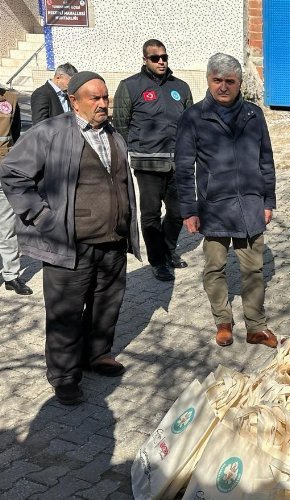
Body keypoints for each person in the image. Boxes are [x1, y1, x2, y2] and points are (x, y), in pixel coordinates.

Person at [0, 72, 141, 405]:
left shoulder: (112, 134)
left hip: (112, 242)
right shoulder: (49, 132)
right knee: (65, 312)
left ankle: (98, 355)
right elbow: (12, 174)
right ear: (74, 100)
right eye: (95, 98)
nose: (104, 103)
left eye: (105, 97)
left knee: (107, 304)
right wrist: (40, 216)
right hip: (68, 246)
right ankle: (64, 375)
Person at [175, 53, 278, 349]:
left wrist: (268, 200)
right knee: (214, 268)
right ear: (208, 80)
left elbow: (266, 159)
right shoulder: (194, 117)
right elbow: (183, 168)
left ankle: (256, 326)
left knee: (254, 270)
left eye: (229, 81)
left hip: (250, 206)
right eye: (217, 80)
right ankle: (223, 321)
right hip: (214, 207)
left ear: (240, 83)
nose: (223, 86)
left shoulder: (253, 115)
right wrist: (189, 210)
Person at [113, 39, 193, 282]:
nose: (161, 61)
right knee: (150, 215)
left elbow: (190, 123)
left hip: (177, 163)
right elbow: (120, 124)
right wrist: (136, 150)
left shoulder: (180, 86)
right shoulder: (130, 86)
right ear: (145, 60)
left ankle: (167, 250)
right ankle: (157, 261)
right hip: (147, 164)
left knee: (178, 212)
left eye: (164, 57)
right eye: (155, 58)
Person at [0, 85, 32, 295]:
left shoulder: (10, 98)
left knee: (7, 227)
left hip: (4, 171)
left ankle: (11, 275)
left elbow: (16, 133)